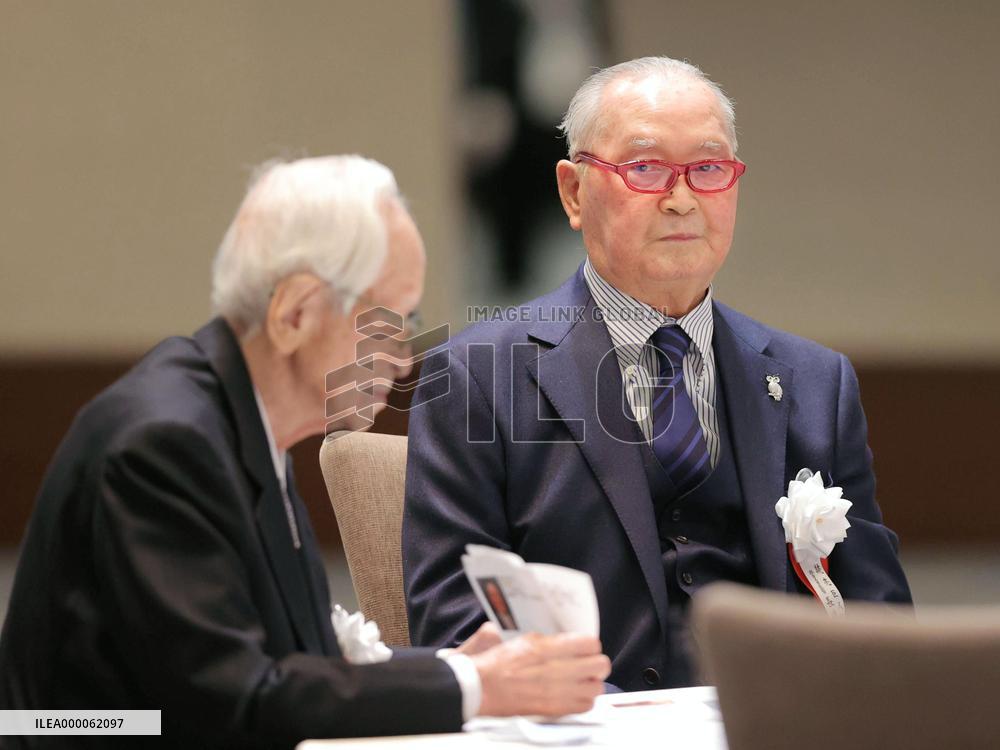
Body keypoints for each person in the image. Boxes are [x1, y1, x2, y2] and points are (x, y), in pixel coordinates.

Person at [0, 156, 610, 749]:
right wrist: (472, 685)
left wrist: (449, 665)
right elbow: (238, 702)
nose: (401, 356)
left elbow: (291, 660)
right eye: (388, 319)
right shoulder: (167, 442)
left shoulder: (240, 415)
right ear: (293, 313)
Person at [402, 57, 913, 691]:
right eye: (644, 168)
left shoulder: (815, 381)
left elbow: (879, 616)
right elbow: (455, 625)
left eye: (708, 168)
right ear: (573, 192)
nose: (681, 199)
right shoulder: (479, 374)